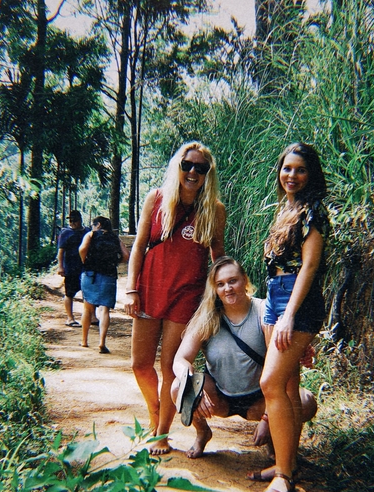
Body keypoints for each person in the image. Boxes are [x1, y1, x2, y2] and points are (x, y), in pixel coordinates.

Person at [124, 142, 226, 455]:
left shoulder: (214, 210)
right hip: (150, 289)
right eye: (188, 165)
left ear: (208, 174)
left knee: (171, 366)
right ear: (177, 167)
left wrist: (221, 297)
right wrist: (131, 288)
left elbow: (218, 256)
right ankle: (157, 416)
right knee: (140, 365)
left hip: (186, 295)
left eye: (201, 167)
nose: (193, 172)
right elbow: (139, 246)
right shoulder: (156, 199)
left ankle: (162, 434)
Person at [172, 257, 316, 463]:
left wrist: (268, 418)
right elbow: (180, 359)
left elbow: (285, 355)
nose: (227, 288)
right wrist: (193, 386)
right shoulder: (206, 318)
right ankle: (202, 432)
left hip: (261, 398)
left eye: (233, 281)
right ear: (214, 289)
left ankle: (278, 446)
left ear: (245, 281)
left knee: (306, 402)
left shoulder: (265, 311)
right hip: (219, 397)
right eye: (220, 284)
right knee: (178, 387)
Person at [258, 143, 329, 492]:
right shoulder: (287, 209)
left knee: (269, 382)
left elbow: (310, 268)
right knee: (286, 387)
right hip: (275, 298)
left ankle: (284, 476)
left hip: (295, 303)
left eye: (300, 169)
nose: (292, 175)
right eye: (287, 168)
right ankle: (286, 462)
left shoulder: (314, 212)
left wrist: (292, 317)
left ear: (311, 174)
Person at [78, 216, 129, 354]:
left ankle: (84, 341)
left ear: (98, 224)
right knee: (105, 310)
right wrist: (115, 264)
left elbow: (82, 249)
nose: (92, 227)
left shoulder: (91, 234)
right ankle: (102, 343)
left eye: (93, 225)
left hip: (90, 274)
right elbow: (126, 255)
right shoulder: (115, 238)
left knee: (88, 308)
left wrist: (85, 261)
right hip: (109, 275)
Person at [56, 210, 86, 327]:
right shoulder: (65, 233)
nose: (72, 223)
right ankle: (70, 318)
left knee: (87, 292)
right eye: (70, 220)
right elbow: (61, 251)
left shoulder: (86, 231)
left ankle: (91, 316)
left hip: (84, 267)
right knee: (69, 293)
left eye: (75, 220)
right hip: (70, 268)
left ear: (80, 220)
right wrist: (60, 267)